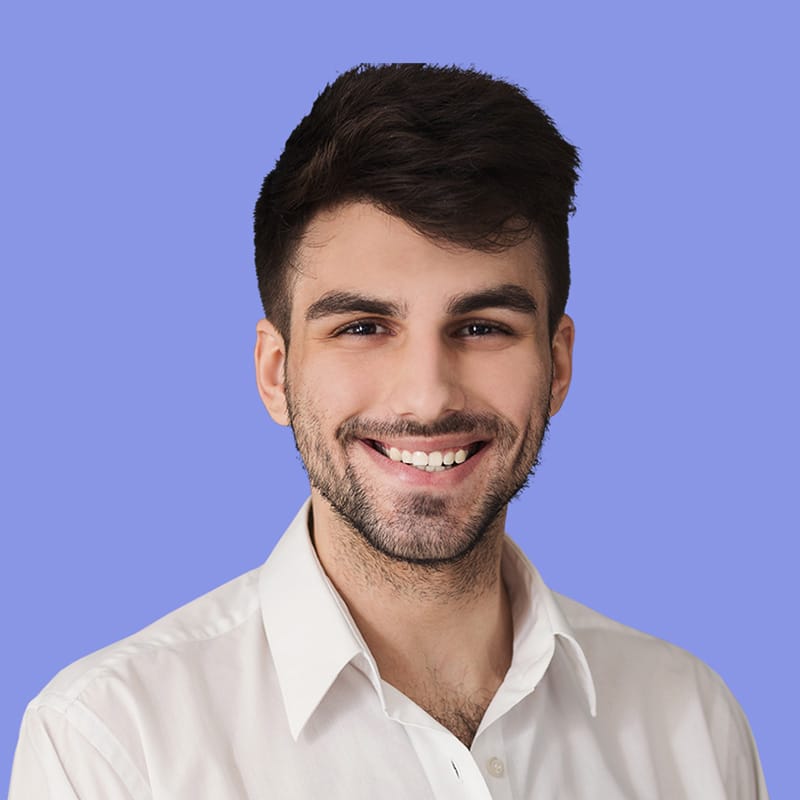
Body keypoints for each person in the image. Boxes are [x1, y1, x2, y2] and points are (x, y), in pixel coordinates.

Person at [9, 63, 768, 799]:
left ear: (558, 365)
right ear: (276, 372)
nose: (427, 396)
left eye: (480, 326)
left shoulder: (691, 726)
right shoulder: (111, 746)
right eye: (364, 326)